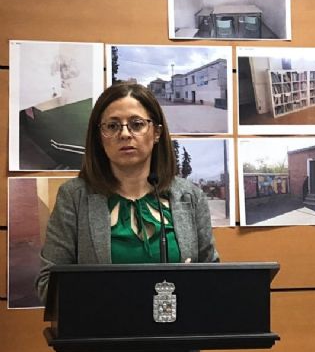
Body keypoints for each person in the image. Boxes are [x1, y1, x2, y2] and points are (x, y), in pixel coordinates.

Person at [36, 83, 219, 303]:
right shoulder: (74, 197)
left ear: (157, 132)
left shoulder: (190, 196)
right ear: (99, 136)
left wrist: (190, 285)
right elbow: (47, 287)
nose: (124, 134)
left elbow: (214, 281)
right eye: (112, 126)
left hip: (174, 324)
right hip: (104, 324)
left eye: (137, 124)